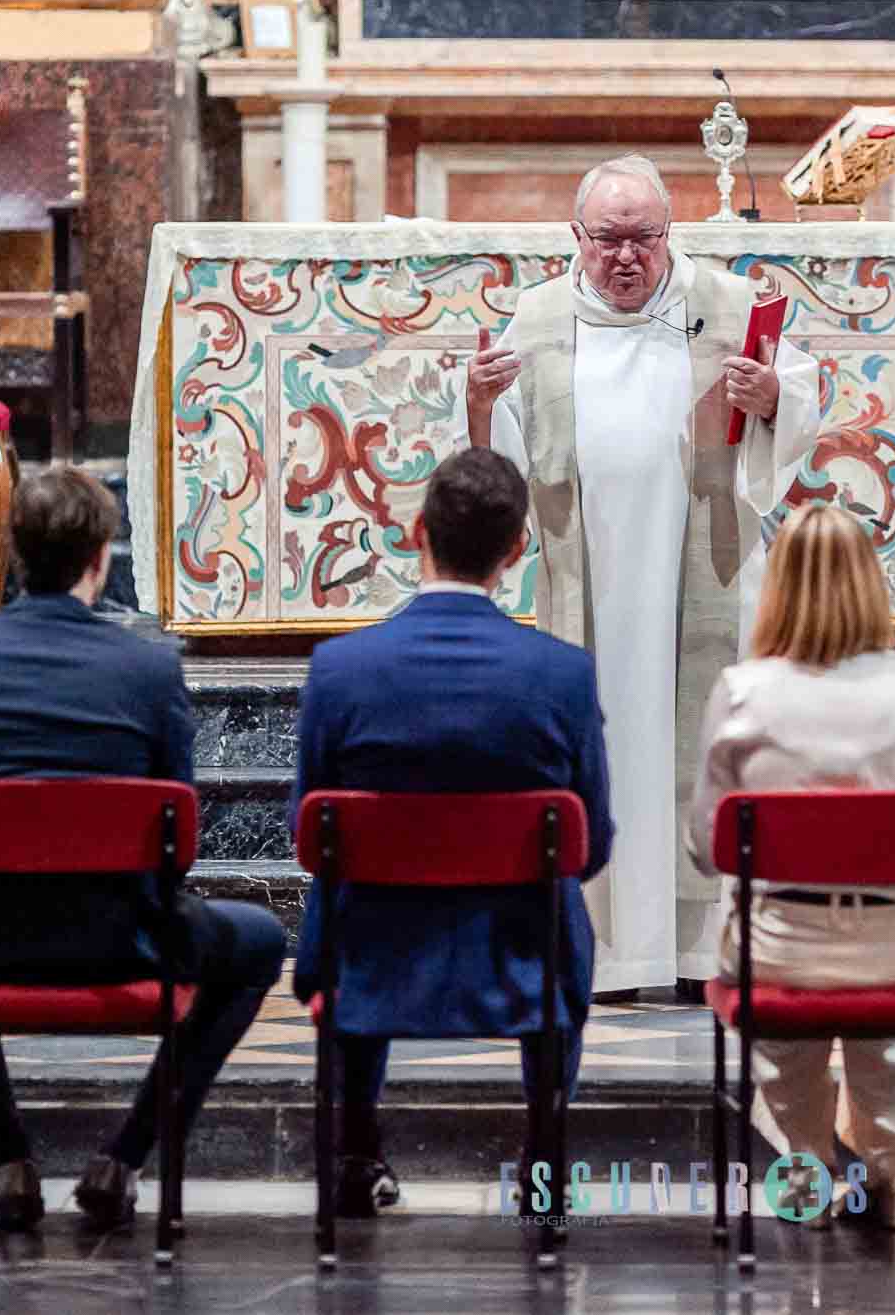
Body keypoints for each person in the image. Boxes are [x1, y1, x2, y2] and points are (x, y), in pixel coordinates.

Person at [463, 153, 825, 992]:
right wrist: (480, 405)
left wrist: (772, 400)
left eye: (644, 239)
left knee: (700, 746)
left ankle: (700, 953)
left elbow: (800, 399)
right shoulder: (539, 316)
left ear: (670, 234)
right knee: (605, 748)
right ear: (576, 238)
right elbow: (501, 471)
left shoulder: (728, 306)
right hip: (587, 584)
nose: (626, 258)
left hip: (701, 583)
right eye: (608, 240)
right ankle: (612, 949)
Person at [0, 466, 285, 1233]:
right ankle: (126, 1157)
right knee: (262, 939)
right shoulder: (147, 669)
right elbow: (177, 853)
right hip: (126, 942)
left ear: (15, 553)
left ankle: (8, 1159)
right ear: (101, 557)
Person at [290, 447, 614, 1219]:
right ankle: (543, 1165)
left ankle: (355, 1151)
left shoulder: (340, 669)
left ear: (414, 532)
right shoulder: (560, 675)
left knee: (351, 898)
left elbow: (309, 832)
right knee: (562, 904)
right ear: (515, 551)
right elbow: (590, 843)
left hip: (370, 959)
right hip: (521, 961)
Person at [686, 504, 895, 1231]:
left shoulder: (742, 694)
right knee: (883, 1031)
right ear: (872, 584)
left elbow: (706, 844)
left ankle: (808, 1157)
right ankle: (891, 1166)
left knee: (786, 1041)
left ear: (777, 588)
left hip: (782, 947)